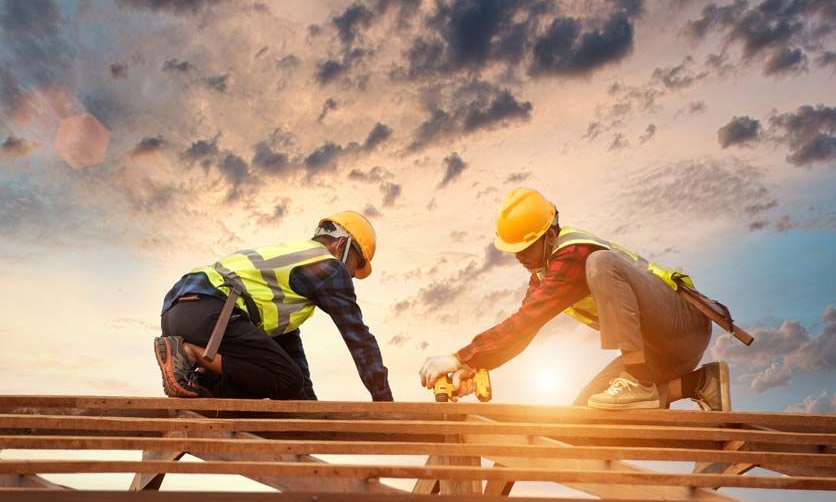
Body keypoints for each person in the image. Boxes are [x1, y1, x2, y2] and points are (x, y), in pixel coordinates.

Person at [419, 188, 728, 411]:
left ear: (550, 235)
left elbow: (529, 318)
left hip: (683, 324)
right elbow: (524, 327)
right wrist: (474, 365)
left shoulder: (575, 253)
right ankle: (699, 383)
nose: (520, 257)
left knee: (602, 263)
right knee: (584, 413)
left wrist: (460, 357)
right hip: (657, 351)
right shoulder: (544, 274)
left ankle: (639, 382)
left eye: (526, 247)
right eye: (515, 251)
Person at [155, 211, 393, 402]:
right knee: (286, 379)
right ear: (342, 245)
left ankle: (201, 383)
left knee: (282, 379)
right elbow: (359, 339)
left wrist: (309, 413)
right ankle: (189, 353)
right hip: (213, 311)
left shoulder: (287, 279)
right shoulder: (329, 267)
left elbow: (294, 365)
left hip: (178, 311)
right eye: (356, 263)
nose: (351, 275)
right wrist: (384, 402)